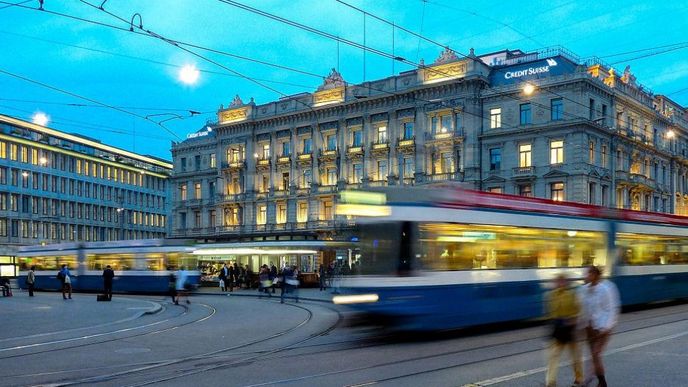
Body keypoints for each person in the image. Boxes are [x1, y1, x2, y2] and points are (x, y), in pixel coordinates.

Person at [579, 266, 620, 387]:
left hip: (602, 328)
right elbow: (582, 308)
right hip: (590, 328)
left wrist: (607, 327)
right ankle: (592, 378)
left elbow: (612, 309)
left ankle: (602, 382)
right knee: (593, 356)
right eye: (586, 274)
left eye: (588, 274)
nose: (585, 276)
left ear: (595, 275)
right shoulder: (584, 289)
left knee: (596, 354)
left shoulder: (605, 289)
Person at [545, 274, 583, 387]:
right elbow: (550, 313)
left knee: (575, 357)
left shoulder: (572, 295)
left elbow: (578, 310)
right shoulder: (550, 295)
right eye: (558, 281)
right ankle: (550, 382)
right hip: (557, 329)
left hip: (570, 329)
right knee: (553, 356)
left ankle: (579, 379)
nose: (560, 283)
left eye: (562, 281)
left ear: (567, 283)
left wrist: (572, 322)